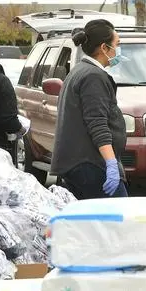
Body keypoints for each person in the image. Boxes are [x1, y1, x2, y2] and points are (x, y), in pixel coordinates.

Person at [50, 19, 128, 199]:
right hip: (90, 164)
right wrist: (110, 163)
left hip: (80, 164)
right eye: (117, 44)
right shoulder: (93, 76)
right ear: (104, 48)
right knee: (117, 220)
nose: (119, 49)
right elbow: (97, 123)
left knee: (90, 223)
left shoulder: (80, 71)